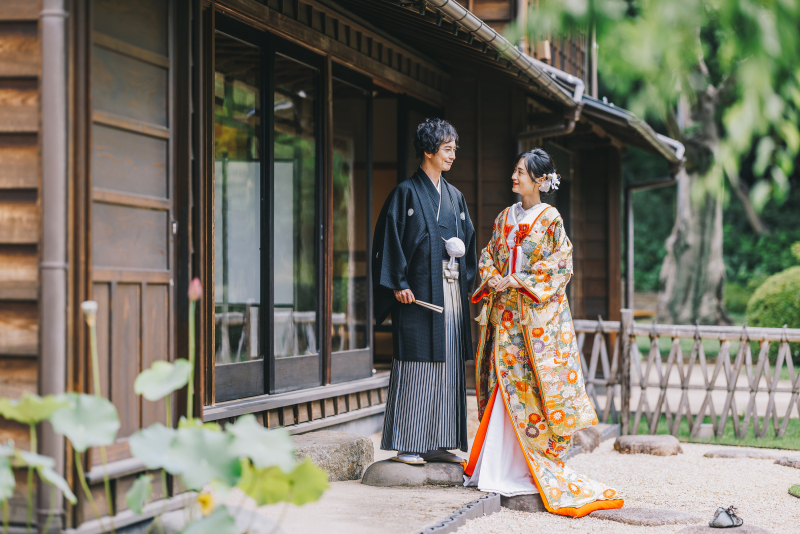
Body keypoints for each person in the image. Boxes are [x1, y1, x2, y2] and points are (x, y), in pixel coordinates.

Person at [463, 148, 623, 516]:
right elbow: (487, 256)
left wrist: (517, 279)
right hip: (505, 317)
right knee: (502, 384)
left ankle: (524, 466)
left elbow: (560, 265)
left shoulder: (551, 219)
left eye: (521, 172)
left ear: (538, 180)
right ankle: (495, 466)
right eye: (515, 170)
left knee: (530, 391)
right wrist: (493, 278)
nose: (514, 176)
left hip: (532, 323)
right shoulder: (505, 216)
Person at [372, 118, 477, 465]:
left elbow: (469, 245)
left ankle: (441, 441)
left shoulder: (455, 197)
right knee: (417, 365)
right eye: (447, 149)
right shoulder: (405, 193)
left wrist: (464, 278)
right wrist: (398, 283)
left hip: (449, 293)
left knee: (448, 365)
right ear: (429, 151)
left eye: (454, 150)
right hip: (416, 297)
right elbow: (388, 242)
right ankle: (409, 443)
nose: (452, 156)